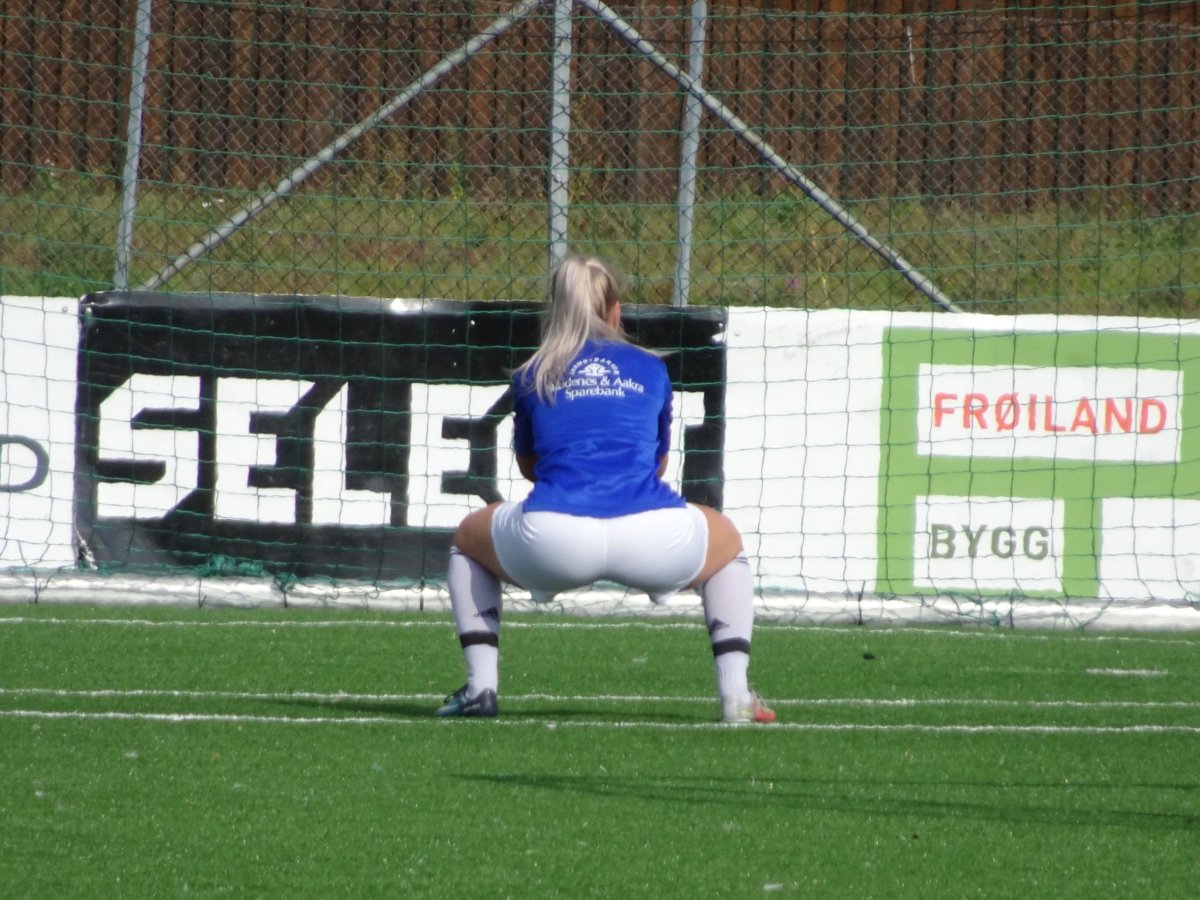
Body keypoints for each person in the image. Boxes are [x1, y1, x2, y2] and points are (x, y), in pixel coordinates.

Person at [435, 253, 774, 724]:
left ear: (554, 309)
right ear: (616, 309)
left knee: (467, 539)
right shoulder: (651, 368)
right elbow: (656, 465)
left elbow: (531, 468)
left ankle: (480, 689)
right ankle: (735, 695)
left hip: (554, 539)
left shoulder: (533, 373)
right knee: (728, 543)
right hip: (652, 536)